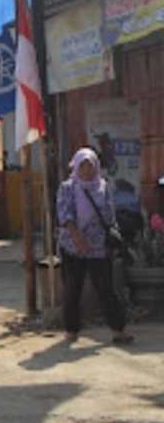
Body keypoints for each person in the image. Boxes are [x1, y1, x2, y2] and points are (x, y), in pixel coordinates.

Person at [56, 148, 133, 345]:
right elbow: (64, 215)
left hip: (98, 247)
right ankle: (71, 331)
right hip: (72, 247)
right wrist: (78, 239)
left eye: (90, 165)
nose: (87, 170)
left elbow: (109, 214)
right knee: (73, 289)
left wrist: (111, 237)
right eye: (82, 165)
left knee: (106, 289)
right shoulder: (67, 187)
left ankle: (119, 330)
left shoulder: (103, 186)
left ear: (96, 166)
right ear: (76, 166)